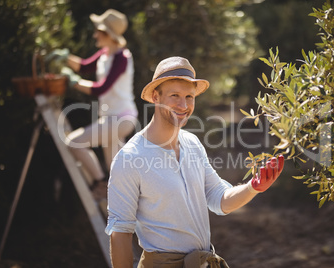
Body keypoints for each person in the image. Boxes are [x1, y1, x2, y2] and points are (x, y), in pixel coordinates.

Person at [105, 56, 284, 267]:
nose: (183, 105)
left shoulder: (192, 143)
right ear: (155, 96)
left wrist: (253, 187)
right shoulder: (129, 158)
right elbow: (121, 233)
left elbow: (219, 199)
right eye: (174, 96)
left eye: (189, 96)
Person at [48, 9, 137, 198]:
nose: (95, 34)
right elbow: (84, 66)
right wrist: (65, 58)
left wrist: (74, 81)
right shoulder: (105, 54)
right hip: (112, 119)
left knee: (73, 143)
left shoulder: (121, 58)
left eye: (99, 31)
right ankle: (127, 211)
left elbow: (100, 88)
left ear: (108, 34)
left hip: (120, 119)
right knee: (118, 173)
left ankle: (99, 183)